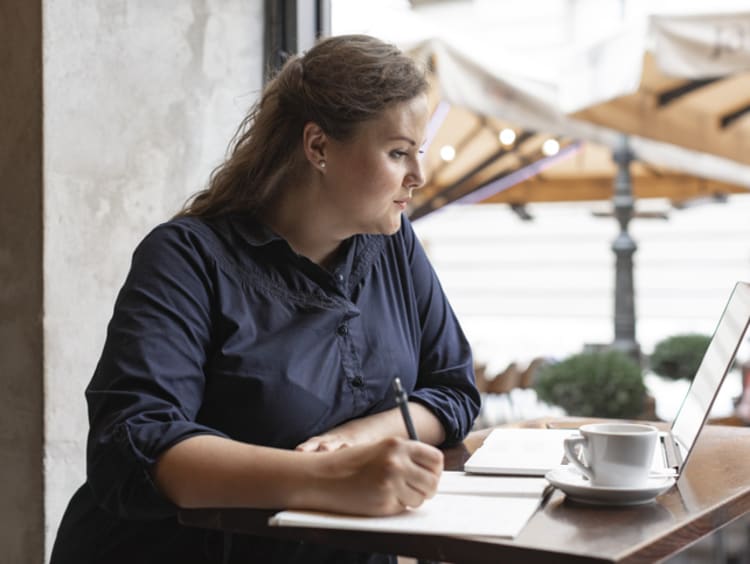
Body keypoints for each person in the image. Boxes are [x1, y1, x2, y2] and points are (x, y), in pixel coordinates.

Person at [50, 34, 480, 564]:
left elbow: (454, 389)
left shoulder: (393, 245)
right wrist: (333, 476)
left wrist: (362, 436)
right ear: (318, 147)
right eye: (398, 153)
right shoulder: (187, 257)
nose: (418, 176)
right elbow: (134, 441)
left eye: (419, 153)